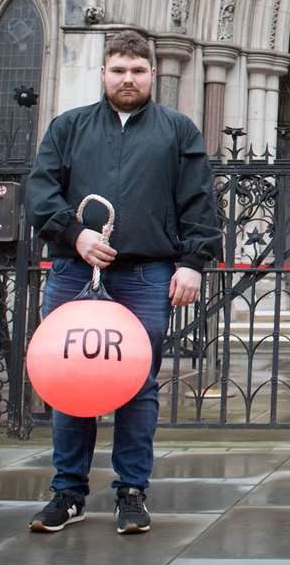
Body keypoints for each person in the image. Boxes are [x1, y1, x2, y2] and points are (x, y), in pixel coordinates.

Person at [25, 30, 220, 534]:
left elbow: (198, 201)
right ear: (104, 73)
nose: (127, 79)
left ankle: (131, 492)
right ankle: (68, 492)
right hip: (73, 271)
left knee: (138, 386)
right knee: (70, 384)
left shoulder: (179, 130)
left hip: (145, 274)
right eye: (118, 69)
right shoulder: (68, 128)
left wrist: (192, 263)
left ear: (153, 73)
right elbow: (40, 192)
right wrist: (76, 233)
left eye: (137, 70)